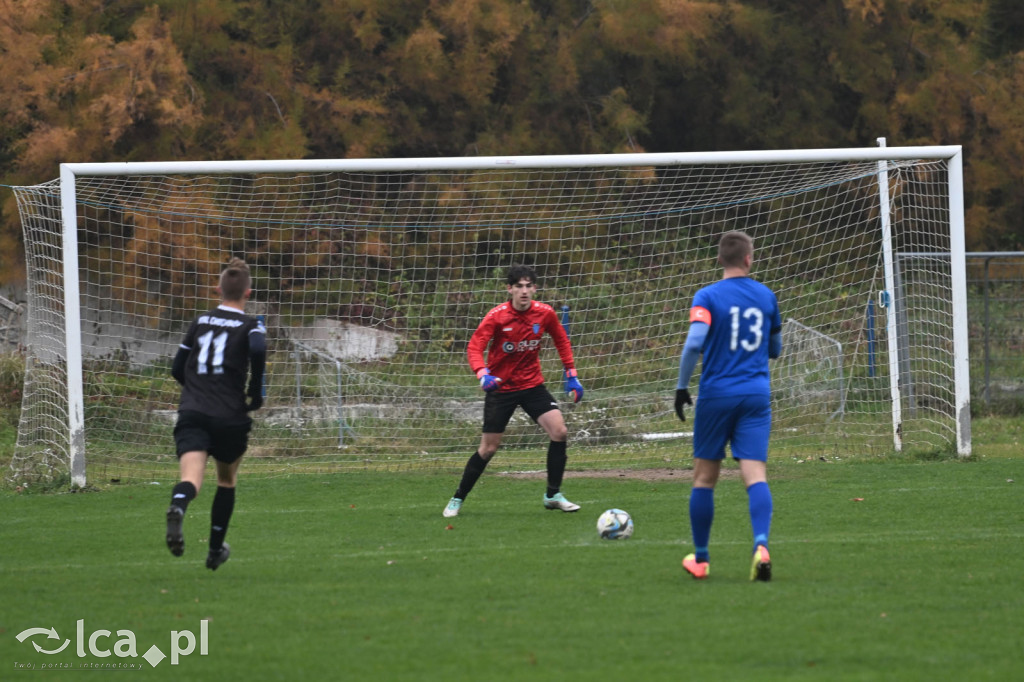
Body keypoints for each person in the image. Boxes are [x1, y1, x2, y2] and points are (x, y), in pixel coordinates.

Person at [674, 231, 781, 582]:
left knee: (705, 478)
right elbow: (776, 349)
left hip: (717, 394)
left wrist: (680, 386)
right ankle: (761, 545)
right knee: (756, 476)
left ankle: (701, 559)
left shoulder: (707, 296)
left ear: (720, 259)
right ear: (749, 258)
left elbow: (693, 345)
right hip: (756, 396)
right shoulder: (767, 296)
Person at [442, 264, 585, 518]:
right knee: (488, 448)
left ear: (535, 288)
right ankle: (457, 498)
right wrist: (482, 373)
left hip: (532, 386)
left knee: (560, 431)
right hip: (501, 388)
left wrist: (571, 374)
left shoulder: (545, 313)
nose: (524, 291)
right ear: (509, 289)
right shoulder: (497, 316)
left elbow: (561, 340)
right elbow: (475, 347)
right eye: (519, 286)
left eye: (529, 286)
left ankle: (553, 495)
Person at [165, 258, 267, 571]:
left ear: (217, 289)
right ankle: (213, 551)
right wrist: (255, 391)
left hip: (193, 411)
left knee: (190, 479)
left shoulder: (199, 322)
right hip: (229, 416)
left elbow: (176, 369)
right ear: (248, 292)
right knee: (226, 479)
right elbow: (259, 348)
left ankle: (178, 507)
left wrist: (195, 390)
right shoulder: (251, 325)